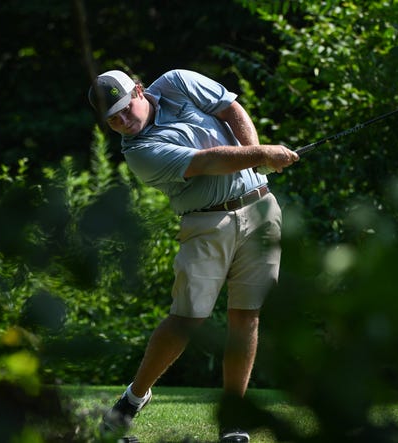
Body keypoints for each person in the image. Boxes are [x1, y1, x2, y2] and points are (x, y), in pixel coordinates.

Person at [87, 68, 298, 443]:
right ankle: (133, 399)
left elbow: (231, 109)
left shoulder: (176, 82)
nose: (122, 122)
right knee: (187, 319)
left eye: (124, 109)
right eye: (112, 120)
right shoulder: (139, 153)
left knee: (247, 315)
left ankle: (233, 420)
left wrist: (257, 161)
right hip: (206, 224)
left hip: (262, 209)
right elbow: (207, 161)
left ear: (139, 89)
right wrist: (263, 154)